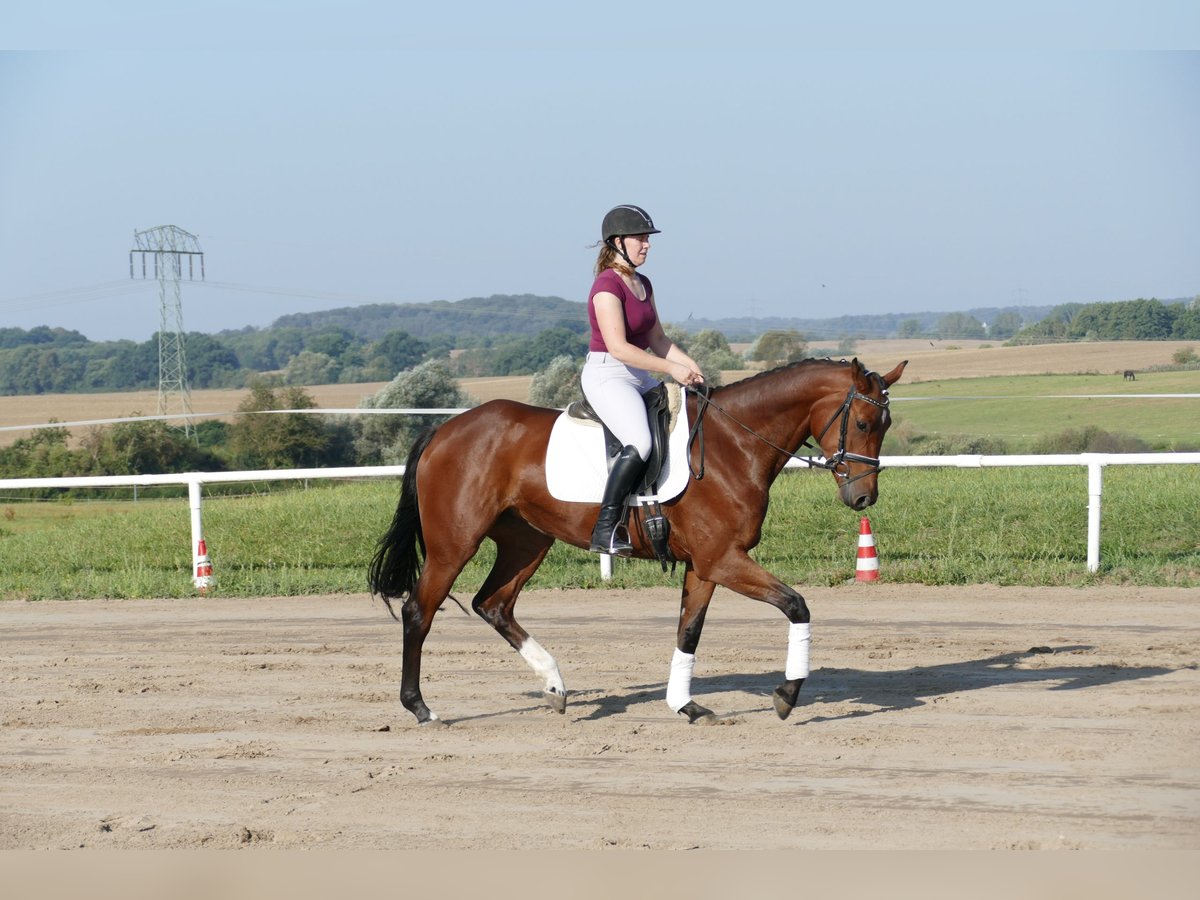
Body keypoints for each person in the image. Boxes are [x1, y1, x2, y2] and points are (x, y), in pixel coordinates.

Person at [581, 204, 705, 555]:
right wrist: (670, 370)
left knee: (685, 422)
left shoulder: (642, 284)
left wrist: (691, 367)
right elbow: (619, 348)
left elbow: (659, 341)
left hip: (637, 373)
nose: (646, 244)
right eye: (640, 238)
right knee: (641, 441)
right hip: (608, 374)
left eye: (647, 238)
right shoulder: (606, 286)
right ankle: (605, 528)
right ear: (618, 241)